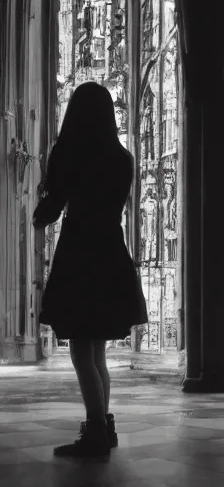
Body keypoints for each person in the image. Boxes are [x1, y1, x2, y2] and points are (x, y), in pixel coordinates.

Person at [33, 82, 148, 457]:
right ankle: (103, 424)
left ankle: (96, 428)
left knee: (82, 348)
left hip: (81, 250)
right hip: (111, 250)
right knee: (96, 350)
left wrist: (39, 213)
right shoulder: (122, 158)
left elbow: (53, 205)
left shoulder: (73, 153)